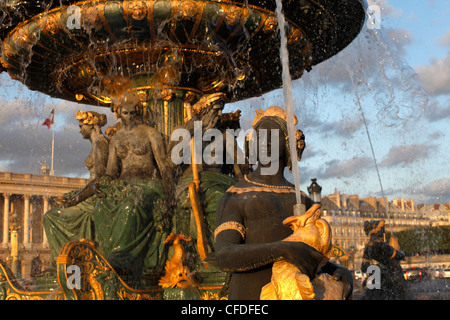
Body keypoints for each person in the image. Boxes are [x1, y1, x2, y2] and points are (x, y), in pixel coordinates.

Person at [214, 106, 353, 300]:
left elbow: (310, 256)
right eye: (260, 136)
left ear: (288, 142)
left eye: (272, 135)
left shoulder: (302, 199)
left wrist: (337, 270)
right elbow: (223, 255)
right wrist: (282, 250)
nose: (265, 142)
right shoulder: (236, 195)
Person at [44, 111, 109, 264]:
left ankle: (64, 261)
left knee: (51, 217)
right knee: (56, 208)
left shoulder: (100, 143)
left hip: (97, 198)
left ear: (91, 125)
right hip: (91, 194)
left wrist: (74, 200)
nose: (79, 130)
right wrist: (73, 195)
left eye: (81, 126)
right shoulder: (96, 144)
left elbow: (99, 180)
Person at [361, 220, 406, 300]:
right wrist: (397, 247)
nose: (384, 231)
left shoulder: (368, 247)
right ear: (377, 230)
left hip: (373, 281)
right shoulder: (383, 246)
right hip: (385, 280)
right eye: (382, 229)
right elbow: (399, 256)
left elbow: (363, 267)